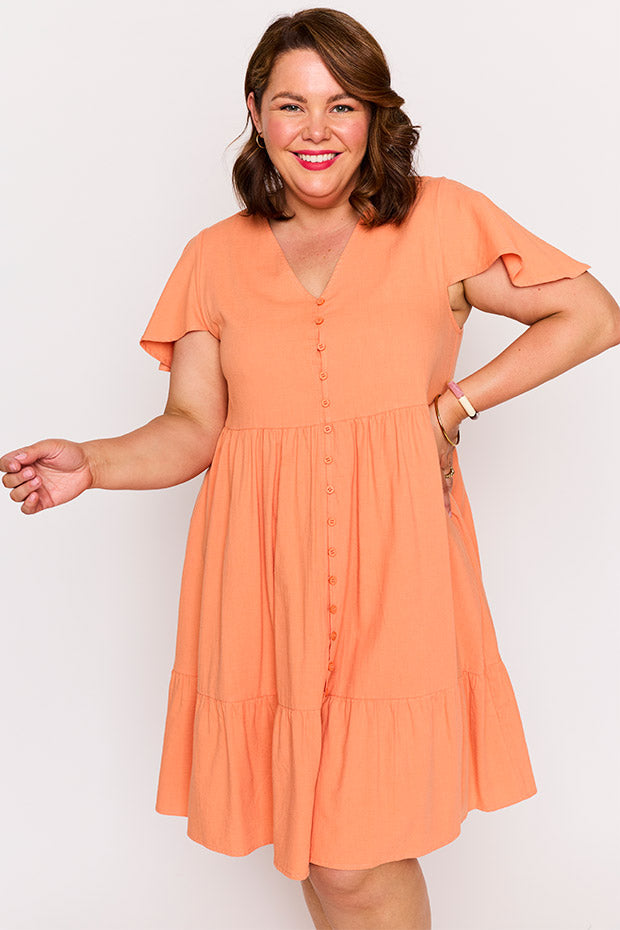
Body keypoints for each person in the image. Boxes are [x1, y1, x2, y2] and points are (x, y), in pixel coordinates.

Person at [2, 8, 619, 929]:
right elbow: (191, 429)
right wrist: (91, 462)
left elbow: (591, 315)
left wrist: (455, 405)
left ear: (373, 115)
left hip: (398, 568)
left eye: (342, 104)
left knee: (351, 859)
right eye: (292, 105)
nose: (317, 129)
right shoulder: (213, 257)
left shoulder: (441, 218)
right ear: (257, 113)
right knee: (320, 855)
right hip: (264, 576)